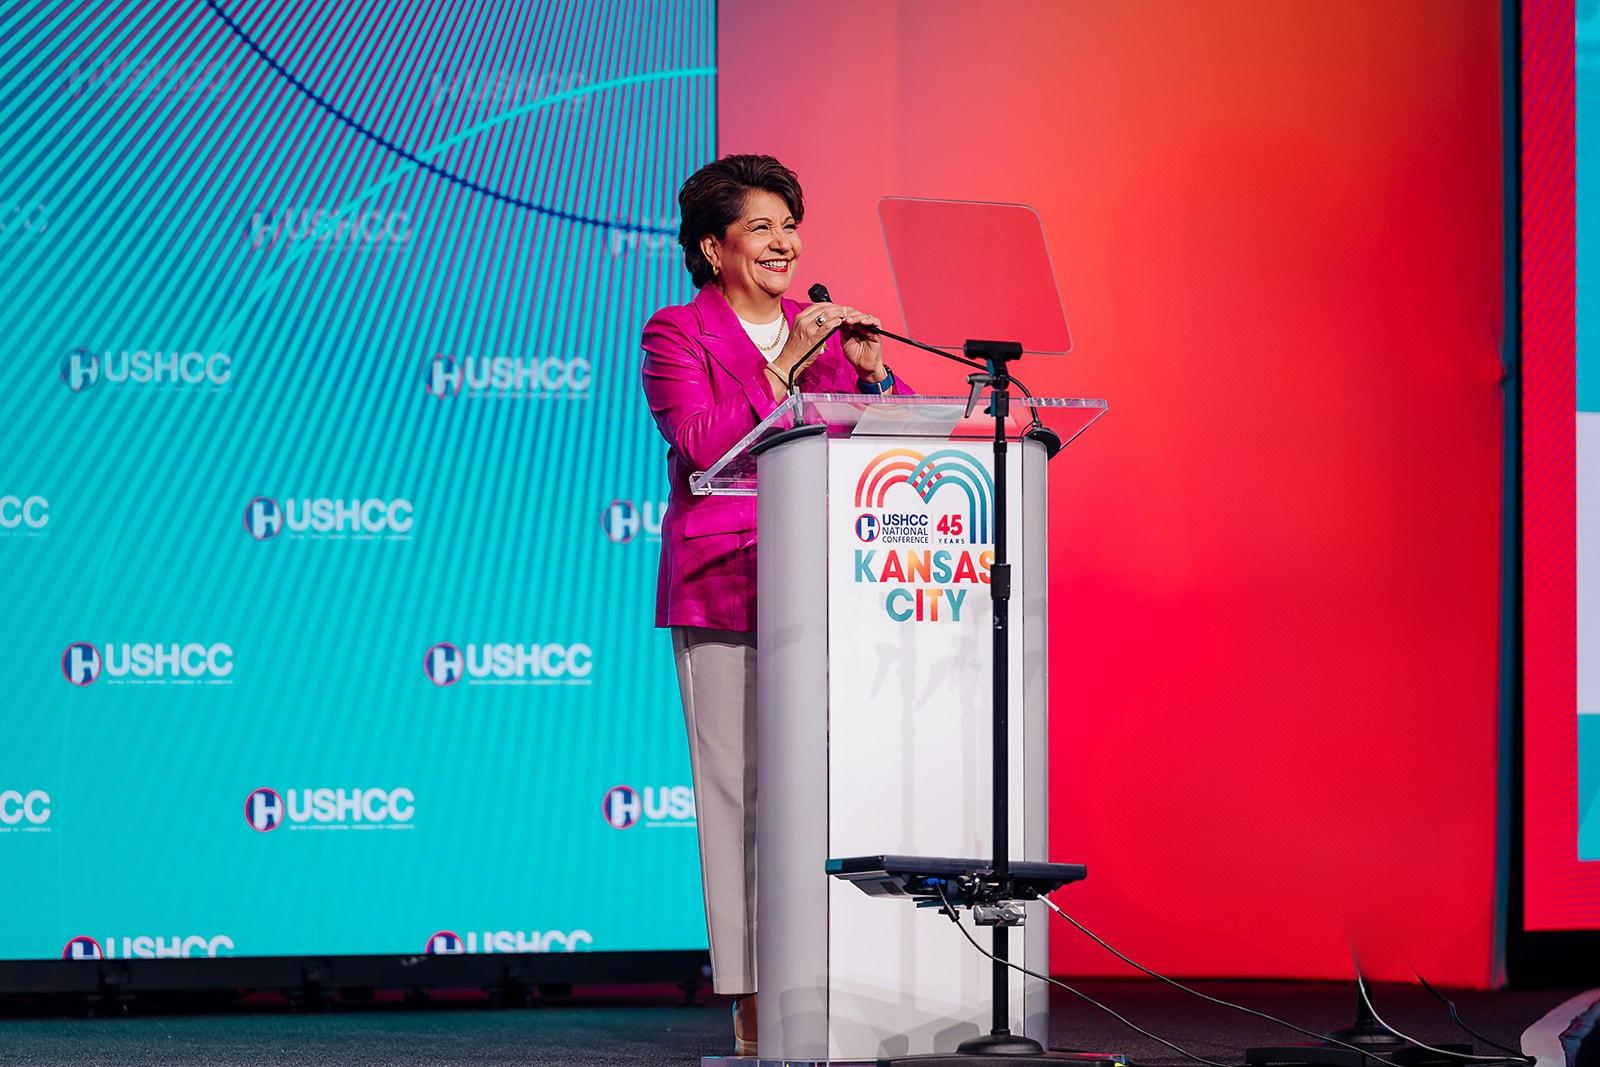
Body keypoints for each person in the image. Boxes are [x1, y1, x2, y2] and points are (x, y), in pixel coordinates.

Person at [640, 154, 912, 1054]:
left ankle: (845, 981)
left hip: (832, 584)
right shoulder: (675, 333)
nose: (783, 242)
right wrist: (786, 366)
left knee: (841, 792)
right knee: (740, 802)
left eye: (789, 225)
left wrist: (873, 376)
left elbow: (902, 441)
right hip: (723, 584)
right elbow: (701, 443)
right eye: (760, 227)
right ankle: (752, 996)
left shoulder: (826, 332)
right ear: (711, 248)